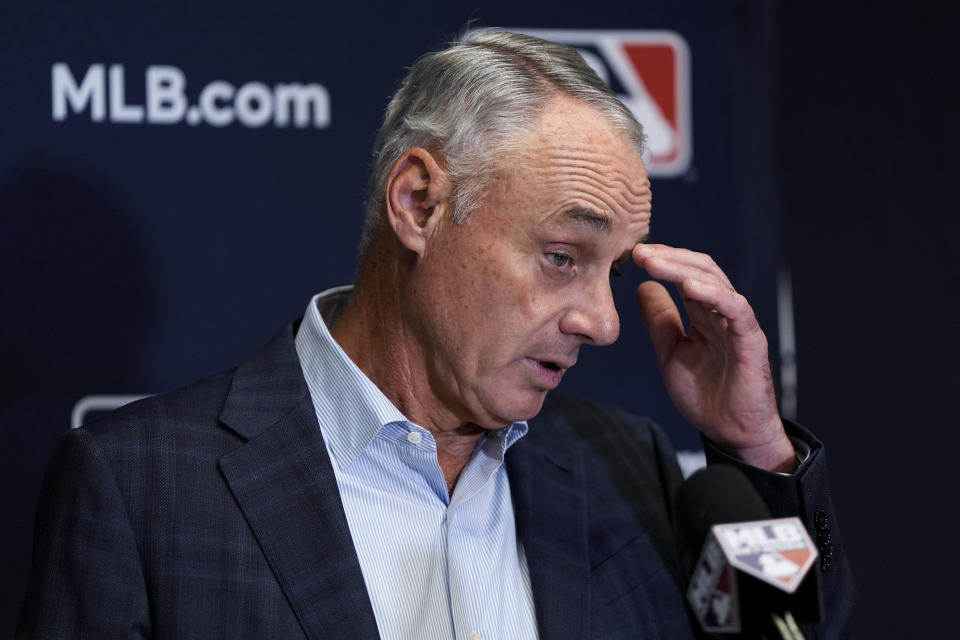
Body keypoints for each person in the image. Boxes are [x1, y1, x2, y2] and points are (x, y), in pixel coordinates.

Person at [18, 31, 852, 639]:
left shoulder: (624, 462)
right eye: (562, 256)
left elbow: (787, 631)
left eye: (614, 272)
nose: (602, 322)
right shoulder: (142, 488)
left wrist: (752, 449)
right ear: (418, 204)